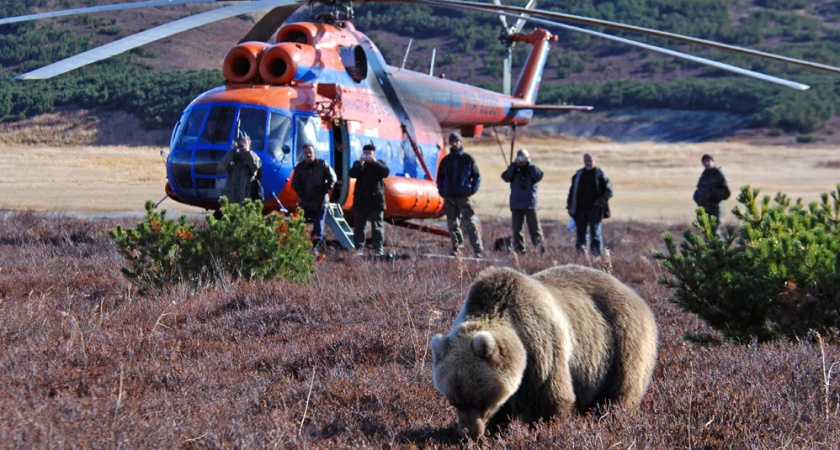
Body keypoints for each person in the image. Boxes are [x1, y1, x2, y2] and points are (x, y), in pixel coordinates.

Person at [436, 132, 484, 257]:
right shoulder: (446, 161)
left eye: (457, 141)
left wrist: (472, 190)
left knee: (470, 223)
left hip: (464, 196)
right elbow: (440, 177)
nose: (455, 143)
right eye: (452, 142)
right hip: (449, 196)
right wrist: (442, 190)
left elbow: (476, 176)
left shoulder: (468, 159)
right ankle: (457, 248)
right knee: (452, 224)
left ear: (460, 142)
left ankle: (478, 250)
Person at [566, 153, 612, 257]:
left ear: (595, 161)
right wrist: (569, 206)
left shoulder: (600, 175)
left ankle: (597, 258)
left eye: (590, 160)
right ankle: (582, 258)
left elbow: (608, 192)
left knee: (595, 235)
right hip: (580, 210)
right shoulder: (578, 175)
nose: (588, 163)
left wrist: (599, 202)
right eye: (586, 160)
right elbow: (572, 192)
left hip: (595, 210)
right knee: (581, 236)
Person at [291, 143, 337, 248]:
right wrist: (302, 195)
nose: (308, 155)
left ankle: (314, 248)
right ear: (303, 154)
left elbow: (333, 178)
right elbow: (294, 183)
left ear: (314, 153)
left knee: (318, 227)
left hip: (320, 202)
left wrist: (324, 190)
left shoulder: (322, 164)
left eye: (310, 152)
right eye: (306, 153)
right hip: (305, 201)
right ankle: (298, 248)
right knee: (298, 224)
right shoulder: (300, 167)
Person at [348, 144, 390, 256]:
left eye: (369, 153)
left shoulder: (379, 164)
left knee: (377, 227)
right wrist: (360, 164)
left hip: (376, 201)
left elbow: (385, 173)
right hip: (361, 201)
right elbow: (352, 174)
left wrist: (375, 162)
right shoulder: (358, 164)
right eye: (365, 153)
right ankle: (359, 248)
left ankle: (378, 249)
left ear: (373, 154)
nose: (367, 156)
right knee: (359, 227)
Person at [501, 148, 545, 254]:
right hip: (516, 204)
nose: (521, 160)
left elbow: (539, 176)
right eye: (519, 157)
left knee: (535, 229)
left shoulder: (532, 168)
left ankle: (540, 251)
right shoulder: (514, 169)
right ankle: (520, 251)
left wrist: (529, 163)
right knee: (517, 230)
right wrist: (513, 165)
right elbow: (505, 177)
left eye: (523, 157)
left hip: (530, 204)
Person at [218, 135, 262, 204]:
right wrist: (232, 150)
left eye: (245, 143)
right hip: (232, 199)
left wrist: (247, 152)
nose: (242, 145)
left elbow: (255, 166)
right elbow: (223, 164)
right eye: (241, 143)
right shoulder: (233, 157)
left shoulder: (254, 157)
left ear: (249, 145)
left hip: (247, 199)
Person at [693, 153, 731, 230]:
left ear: (712, 162)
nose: (706, 163)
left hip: (715, 211)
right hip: (704, 211)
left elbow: (726, 192)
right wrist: (697, 197)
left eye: (708, 161)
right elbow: (699, 190)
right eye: (704, 162)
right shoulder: (704, 176)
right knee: (705, 232)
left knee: (715, 232)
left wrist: (711, 195)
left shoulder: (718, 174)